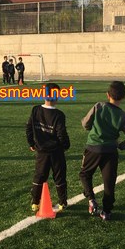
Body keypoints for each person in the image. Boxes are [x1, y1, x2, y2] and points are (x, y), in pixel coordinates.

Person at [79, 80, 125, 220]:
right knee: (109, 182)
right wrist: (123, 145)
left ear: (107, 94)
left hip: (93, 148)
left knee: (85, 174)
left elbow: (85, 123)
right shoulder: (122, 115)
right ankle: (107, 211)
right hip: (110, 151)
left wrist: (90, 129)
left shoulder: (99, 106)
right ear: (124, 96)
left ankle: (91, 199)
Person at [26, 83, 70, 213]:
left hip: (41, 151)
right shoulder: (59, 115)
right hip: (56, 152)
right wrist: (66, 145)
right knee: (59, 176)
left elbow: (28, 128)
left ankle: (35, 202)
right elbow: (61, 133)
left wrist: (31, 143)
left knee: (39, 175)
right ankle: (62, 202)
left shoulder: (35, 110)